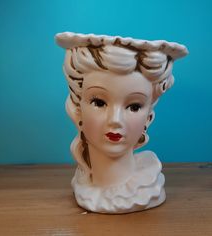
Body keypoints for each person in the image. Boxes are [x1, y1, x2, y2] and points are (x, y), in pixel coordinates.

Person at [55, 32, 188, 213]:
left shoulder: (147, 188)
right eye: (99, 102)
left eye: (133, 106)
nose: (115, 120)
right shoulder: (82, 184)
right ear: (78, 111)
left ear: (148, 118)